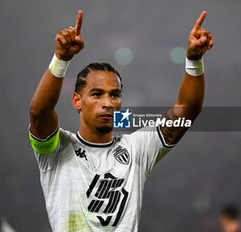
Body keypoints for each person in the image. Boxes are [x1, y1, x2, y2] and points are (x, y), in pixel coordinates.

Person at [29, 9, 214, 232]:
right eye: (97, 94)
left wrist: (194, 60)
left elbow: (187, 111)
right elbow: (39, 113)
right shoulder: (57, 149)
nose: (108, 102)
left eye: (114, 95)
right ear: (77, 101)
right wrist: (61, 59)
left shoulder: (136, 148)